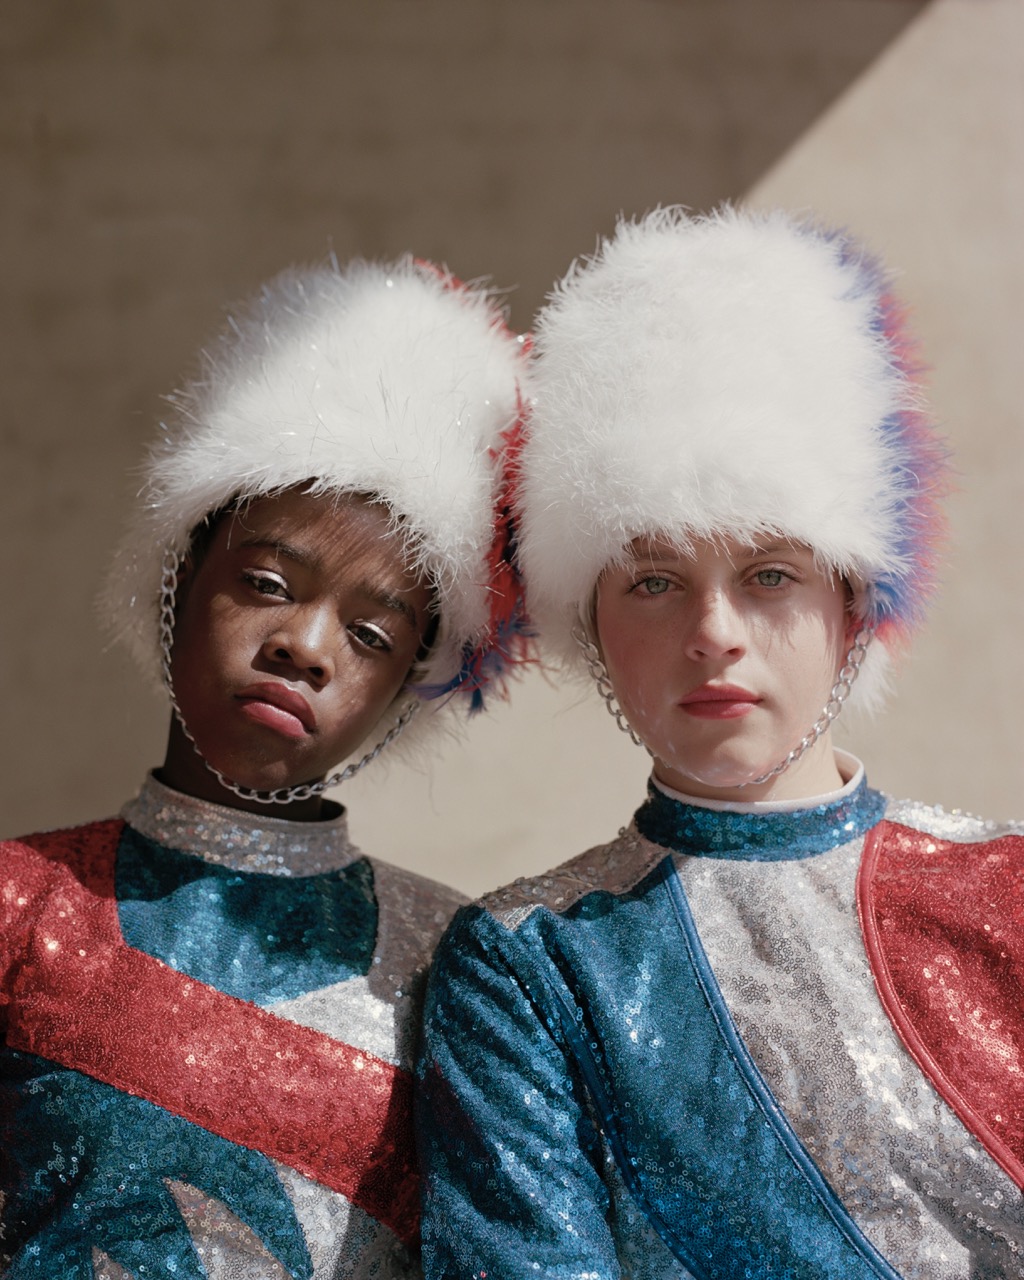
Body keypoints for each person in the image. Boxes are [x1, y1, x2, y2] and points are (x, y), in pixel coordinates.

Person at [416, 208, 1024, 1278]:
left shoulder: (1007, 888)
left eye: (770, 573)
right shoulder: (530, 963)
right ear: (589, 624)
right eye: (652, 580)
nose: (712, 632)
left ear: (854, 600)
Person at [0, 256, 529, 1278]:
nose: (307, 644)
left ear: (399, 691)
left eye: (371, 635)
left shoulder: (453, 959)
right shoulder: (21, 904)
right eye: (266, 582)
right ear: (177, 579)